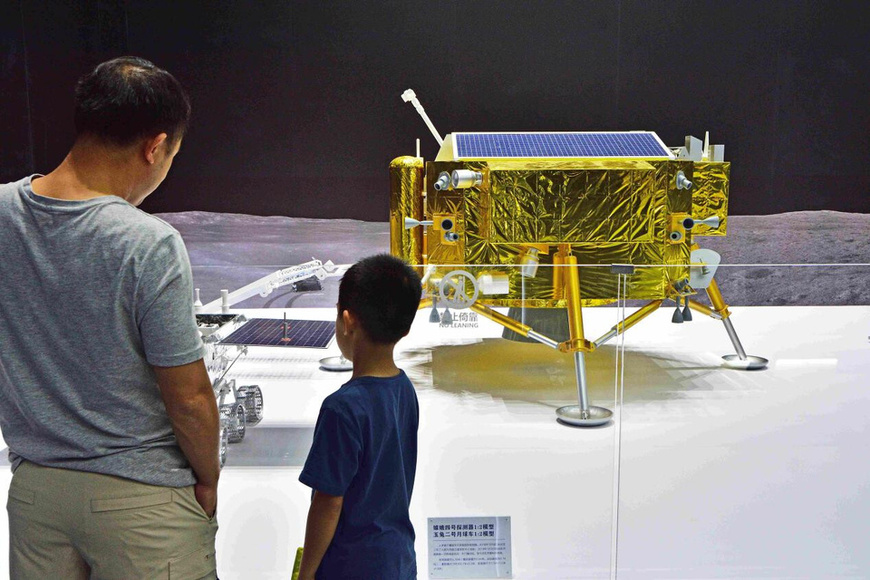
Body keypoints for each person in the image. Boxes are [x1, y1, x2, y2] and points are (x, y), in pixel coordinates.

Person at [0, 57, 220, 579]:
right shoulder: (149, 242)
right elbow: (188, 397)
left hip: (35, 498)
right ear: (154, 147)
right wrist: (208, 476)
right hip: (142, 506)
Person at [298, 254, 422, 580]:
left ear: (348, 321)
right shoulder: (404, 389)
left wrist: (307, 572)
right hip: (397, 560)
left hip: (350, 566)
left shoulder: (342, 408)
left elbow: (328, 503)